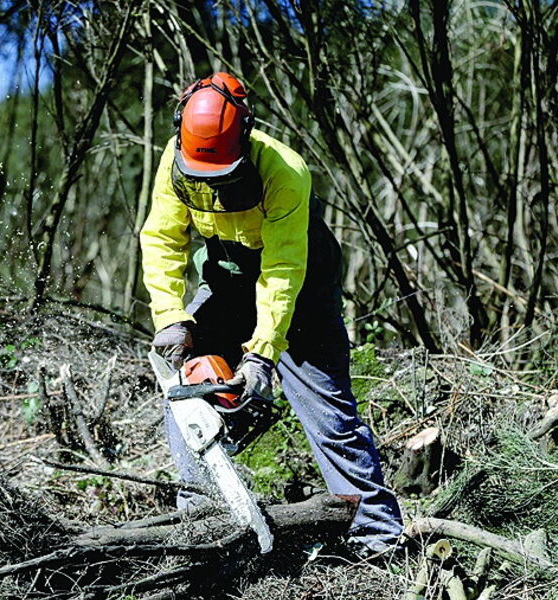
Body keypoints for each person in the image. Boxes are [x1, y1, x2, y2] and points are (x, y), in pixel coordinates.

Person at [139, 72, 403, 555]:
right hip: (227, 279)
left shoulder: (284, 170)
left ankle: (379, 538)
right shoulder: (173, 160)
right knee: (185, 396)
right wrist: (170, 317)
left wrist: (261, 355)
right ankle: (204, 519)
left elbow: (282, 270)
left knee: (329, 416)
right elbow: (160, 238)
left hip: (301, 288)